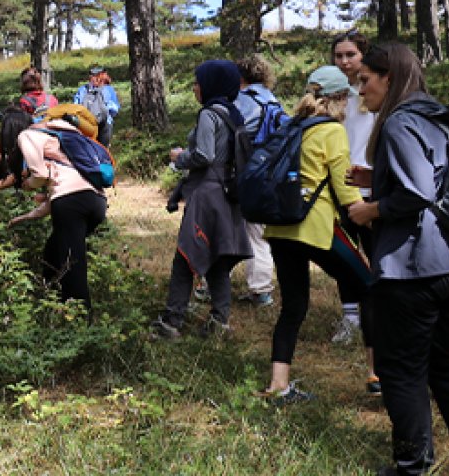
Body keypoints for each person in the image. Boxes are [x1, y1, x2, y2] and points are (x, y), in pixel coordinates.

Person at [348, 43, 449, 476]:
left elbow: (418, 191)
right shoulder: (434, 116)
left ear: (389, 77)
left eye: (365, 79)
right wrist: (377, 177)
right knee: (445, 362)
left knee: (400, 369)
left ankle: (410, 466)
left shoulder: (399, 122)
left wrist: (372, 208)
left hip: (413, 269)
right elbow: (437, 178)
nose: (359, 88)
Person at [260, 66, 375, 404]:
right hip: (315, 225)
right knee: (368, 285)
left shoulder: (292, 126)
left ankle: (278, 385)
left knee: (293, 305)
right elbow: (345, 190)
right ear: (340, 99)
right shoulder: (332, 132)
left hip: (279, 226)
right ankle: (378, 373)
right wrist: (373, 218)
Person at [152, 60, 251, 338]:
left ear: (211, 84)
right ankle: (220, 321)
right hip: (228, 194)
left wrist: (179, 157)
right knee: (218, 259)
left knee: (186, 256)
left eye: (198, 82)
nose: (195, 87)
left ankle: (171, 322)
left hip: (207, 194)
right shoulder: (234, 114)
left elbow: (205, 156)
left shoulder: (209, 114)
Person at [16, 111, 108, 312]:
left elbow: (40, 175)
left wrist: (27, 185)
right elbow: (59, 194)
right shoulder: (68, 137)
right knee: (53, 252)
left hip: (72, 202)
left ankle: (79, 320)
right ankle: (51, 302)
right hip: (97, 201)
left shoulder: (28, 135)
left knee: (72, 263)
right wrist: (26, 216)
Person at [330, 30, 376, 346]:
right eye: (339, 56)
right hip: (338, 188)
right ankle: (350, 316)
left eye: (351, 55)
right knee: (344, 256)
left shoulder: (374, 92)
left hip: (370, 188)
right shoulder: (330, 94)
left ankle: (379, 311)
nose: (345, 61)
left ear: (363, 56)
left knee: (376, 253)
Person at [232, 56, 280, 306]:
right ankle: (261, 289)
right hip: (270, 173)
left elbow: (231, 133)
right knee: (258, 233)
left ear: (240, 78)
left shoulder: (242, 101)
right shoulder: (273, 100)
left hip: (244, 171)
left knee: (227, 227)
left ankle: (209, 284)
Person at [73, 66, 121, 147]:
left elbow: (75, 106)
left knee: (87, 149)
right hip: (104, 124)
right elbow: (114, 109)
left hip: (85, 123)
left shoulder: (82, 89)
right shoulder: (108, 89)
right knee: (102, 149)